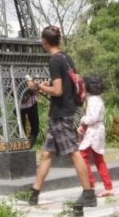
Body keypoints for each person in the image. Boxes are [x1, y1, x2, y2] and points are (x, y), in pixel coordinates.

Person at [27, 25, 96, 207]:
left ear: (44, 42)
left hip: (61, 114)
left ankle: (89, 193)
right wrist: (46, 83)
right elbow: (67, 84)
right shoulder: (66, 58)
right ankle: (34, 193)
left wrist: (37, 86)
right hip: (64, 111)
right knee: (47, 154)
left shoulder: (54, 61)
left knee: (73, 153)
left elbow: (57, 91)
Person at [78, 74, 114, 197]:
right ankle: (108, 186)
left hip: (94, 131)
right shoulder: (97, 99)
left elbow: (92, 118)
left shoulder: (93, 100)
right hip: (97, 129)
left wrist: (83, 120)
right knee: (99, 159)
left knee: (82, 156)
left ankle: (90, 184)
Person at [20, 80, 39, 148]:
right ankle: (24, 147)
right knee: (21, 130)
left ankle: (27, 146)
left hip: (31, 103)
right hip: (20, 104)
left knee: (35, 129)